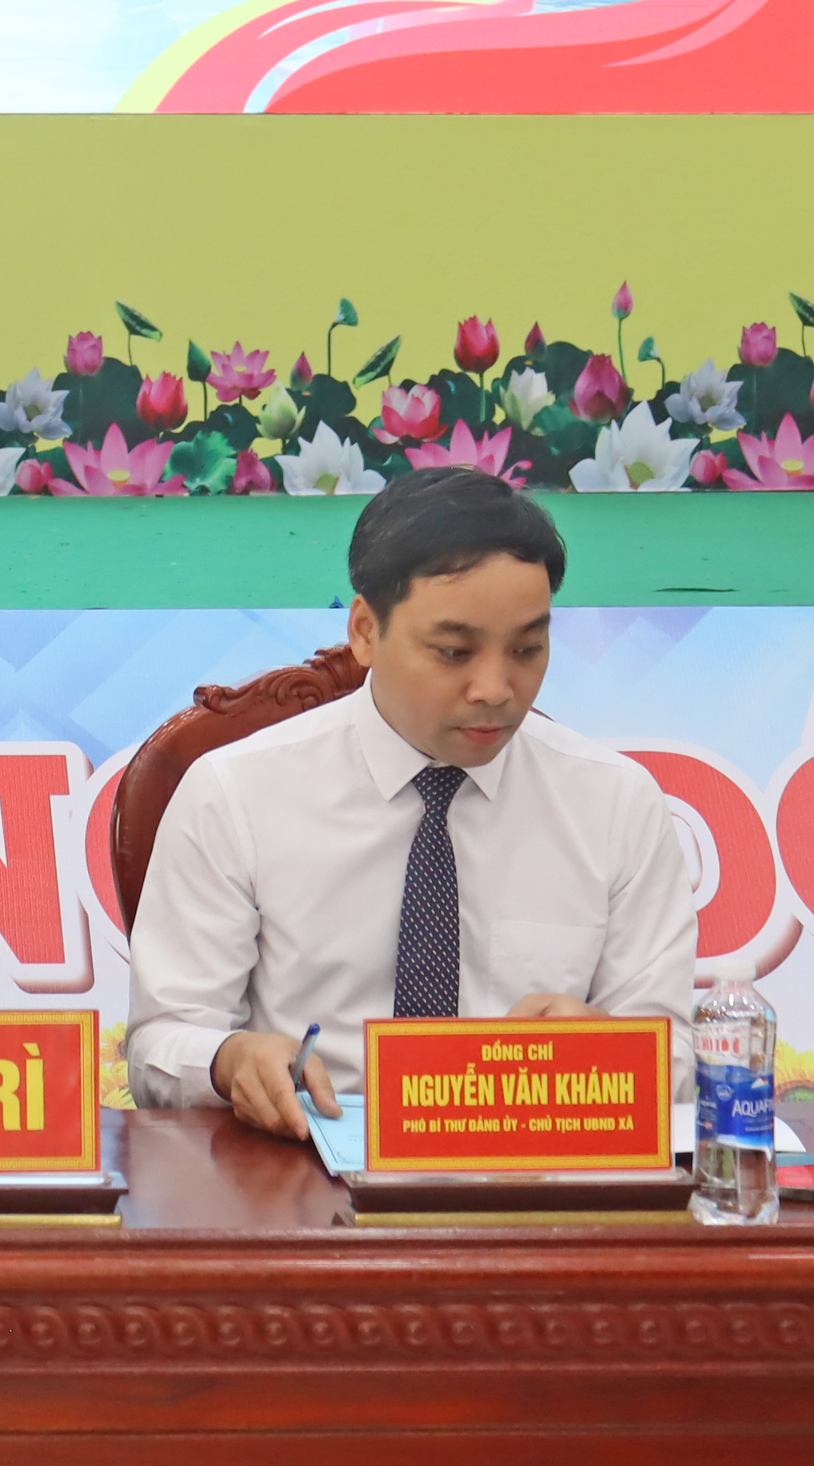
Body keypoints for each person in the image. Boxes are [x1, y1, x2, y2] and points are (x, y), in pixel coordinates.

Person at [122, 466, 695, 1139]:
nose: (495, 688)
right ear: (366, 629)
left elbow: (674, 1062)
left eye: (527, 649)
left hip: (534, 1167)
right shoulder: (236, 792)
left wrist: (610, 1049)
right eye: (454, 652)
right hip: (306, 1168)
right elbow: (162, 1044)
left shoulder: (615, 803)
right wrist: (228, 1061)